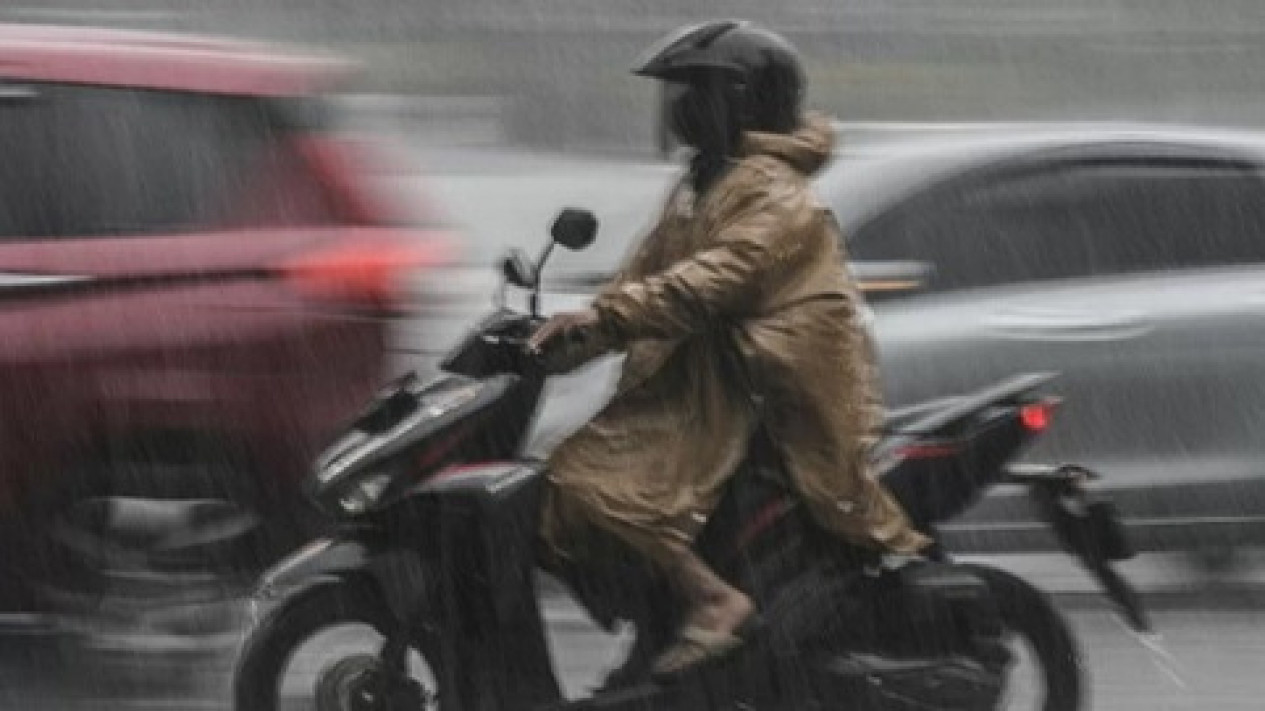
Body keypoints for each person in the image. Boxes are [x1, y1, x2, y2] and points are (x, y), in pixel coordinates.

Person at [528, 19, 930, 678]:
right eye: (680, 93)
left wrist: (608, 317)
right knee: (552, 489)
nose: (682, 108)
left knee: (587, 482)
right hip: (711, 384)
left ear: (744, 101)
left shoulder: (773, 191)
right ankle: (660, 626)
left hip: (764, 392)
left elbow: (711, 281)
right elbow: (643, 276)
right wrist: (570, 334)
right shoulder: (702, 184)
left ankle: (714, 599)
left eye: (698, 92)